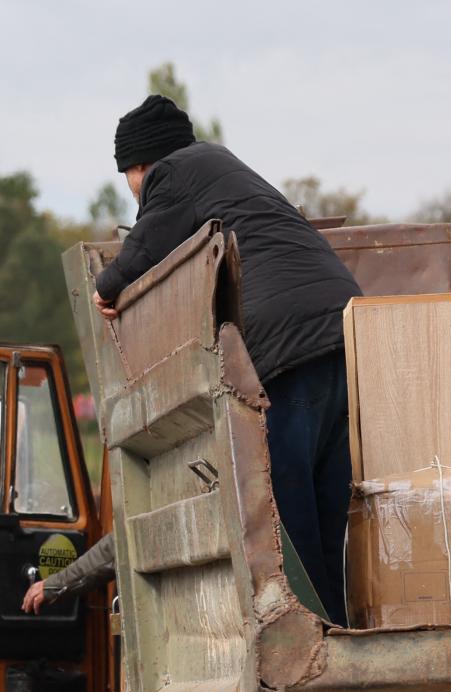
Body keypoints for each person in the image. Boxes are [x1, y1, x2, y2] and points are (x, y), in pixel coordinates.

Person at [91, 94, 364, 623]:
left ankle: (315, 637)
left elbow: (146, 247)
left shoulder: (171, 175)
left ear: (140, 164)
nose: (133, 189)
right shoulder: (221, 166)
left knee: (289, 513)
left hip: (287, 348)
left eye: (129, 175)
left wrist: (107, 288)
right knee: (331, 513)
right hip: (344, 330)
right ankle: (341, 630)